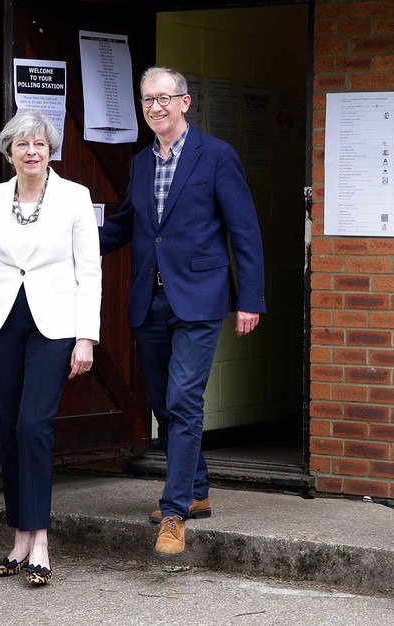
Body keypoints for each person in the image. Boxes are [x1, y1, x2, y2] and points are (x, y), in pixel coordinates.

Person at [99, 67, 265, 557]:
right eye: (148, 100)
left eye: (164, 98)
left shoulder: (216, 156)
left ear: (185, 102)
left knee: (184, 400)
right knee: (161, 403)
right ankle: (196, 488)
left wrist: (250, 299)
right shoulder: (140, 164)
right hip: (149, 299)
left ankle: (174, 513)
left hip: (201, 296)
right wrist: (67, 242)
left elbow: (245, 231)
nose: (156, 107)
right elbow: (127, 224)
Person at [0, 109, 101, 586]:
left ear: (50, 149)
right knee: (12, 433)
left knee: (35, 426)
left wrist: (86, 337)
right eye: (22, 145)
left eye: (39, 144)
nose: (32, 151)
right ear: (9, 152)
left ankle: (40, 541)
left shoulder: (75, 197)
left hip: (55, 325)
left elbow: (89, 273)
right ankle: (18, 537)